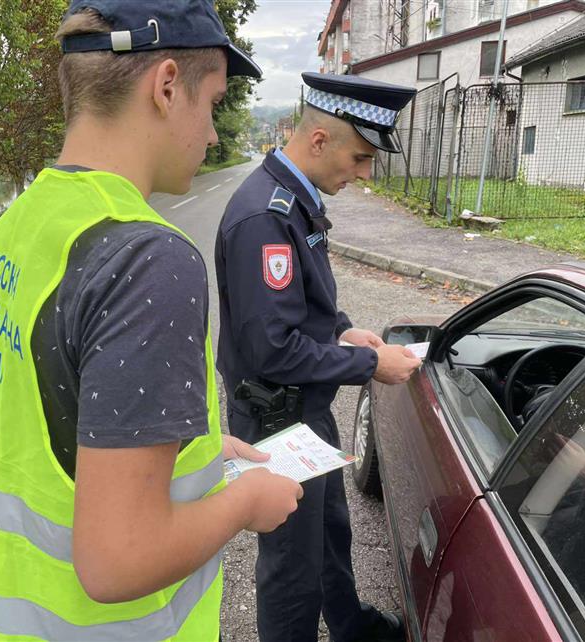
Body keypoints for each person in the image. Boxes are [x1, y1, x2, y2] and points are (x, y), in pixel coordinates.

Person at [0, 2, 303, 641]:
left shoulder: (19, 228)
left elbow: (48, 412)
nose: (215, 134)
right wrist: (246, 502)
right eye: (213, 103)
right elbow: (117, 562)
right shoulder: (147, 259)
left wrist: (188, 448)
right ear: (166, 87)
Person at [215, 72, 423, 642]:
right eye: (359, 157)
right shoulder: (267, 217)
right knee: (291, 567)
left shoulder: (297, 202)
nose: (364, 172)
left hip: (305, 409)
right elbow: (273, 349)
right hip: (276, 418)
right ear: (318, 141)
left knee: (330, 531)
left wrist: (346, 332)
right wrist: (370, 367)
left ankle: (351, 626)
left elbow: (304, 304)